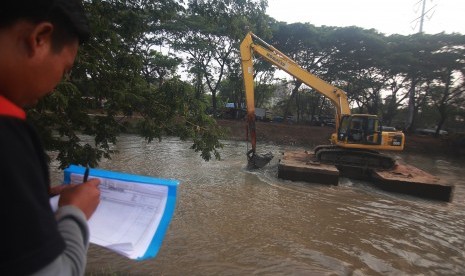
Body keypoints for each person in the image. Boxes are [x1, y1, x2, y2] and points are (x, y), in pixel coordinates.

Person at [0, 1, 101, 275]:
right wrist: (74, 212)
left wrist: (30, 198)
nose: (59, 83)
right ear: (39, 39)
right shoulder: (8, 134)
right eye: (66, 69)